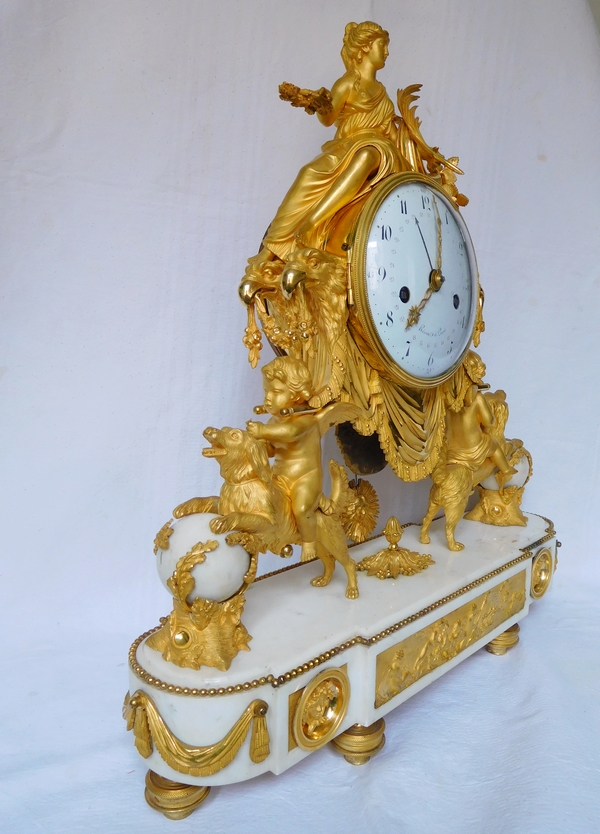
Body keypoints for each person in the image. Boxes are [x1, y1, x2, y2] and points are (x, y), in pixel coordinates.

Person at [254, 21, 409, 265]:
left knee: (367, 155)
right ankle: (272, 247)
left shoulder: (381, 91)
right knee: (308, 172)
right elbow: (328, 119)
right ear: (365, 48)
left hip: (380, 150)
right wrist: (318, 104)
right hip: (347, 146)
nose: (387, 52)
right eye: (383, 45)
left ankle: (312, 222)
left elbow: (389, 129)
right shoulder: (347, 83)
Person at [246, 356, 328, 562]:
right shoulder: (275, 421)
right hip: (281, 477)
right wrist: (257, 446)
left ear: (296, 395)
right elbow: (273, 449)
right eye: (266, 391)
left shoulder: (307, 421)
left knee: (301, 509)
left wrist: (263, 431)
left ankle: (309, 541)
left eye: (276, 392)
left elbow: (290, 432)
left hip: (305, 478)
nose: (268, 398)